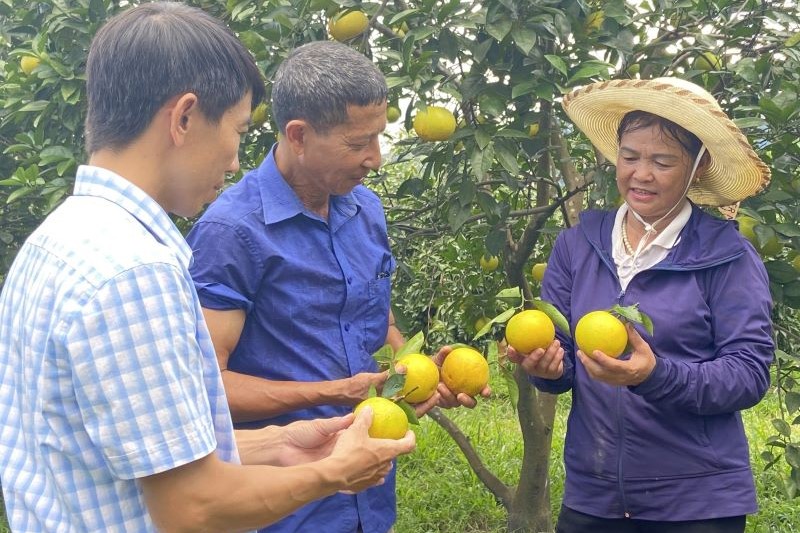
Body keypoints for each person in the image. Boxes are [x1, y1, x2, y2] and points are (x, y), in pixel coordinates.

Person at [0, 4, 416, 532]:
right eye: (239, 131)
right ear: (185, 117)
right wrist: (333, 474)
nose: (236, 160)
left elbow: (137, 456)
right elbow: (192, 508)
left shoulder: (57, 242)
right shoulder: (136, 272)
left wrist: (280, 441)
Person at [185, 40, 489, 533]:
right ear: (299, 135)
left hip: (367, 494)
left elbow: (378, 322)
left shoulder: (364, 209)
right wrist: (334, 392)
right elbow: (206, 384)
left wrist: (413, 372)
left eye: (378, 138)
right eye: (356, 144)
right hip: (280, 504)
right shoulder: (233, 231)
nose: (375, 159)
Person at [508, 77, 774, 533]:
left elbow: (748, 375)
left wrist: (655, 376)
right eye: (629, 157)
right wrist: (547, 368)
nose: (641, 174)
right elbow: (565, 362)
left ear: (696, 168)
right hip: (595, 498)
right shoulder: (577, 246)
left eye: (662, 161)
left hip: (696, 502)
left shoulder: (726, 255)